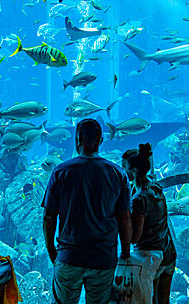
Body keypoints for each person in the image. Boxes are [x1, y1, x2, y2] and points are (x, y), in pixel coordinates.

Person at [42, 118, 132, 304]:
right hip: (103, 259)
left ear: (77, 140)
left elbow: (49, 216)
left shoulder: (61, 172)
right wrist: (124, 253)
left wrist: (52, 250)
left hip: (69, 257)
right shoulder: (118, 174)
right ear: (100, 140)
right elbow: (124, 218)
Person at [122, 143, 176, 304]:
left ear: (133, 170)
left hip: (152, 259)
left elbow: (135, 238)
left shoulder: (139, 199)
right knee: (163, 300)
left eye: (123, 166)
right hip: (168, 252)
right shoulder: (156, 187)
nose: (121, 170)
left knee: (148, 300)